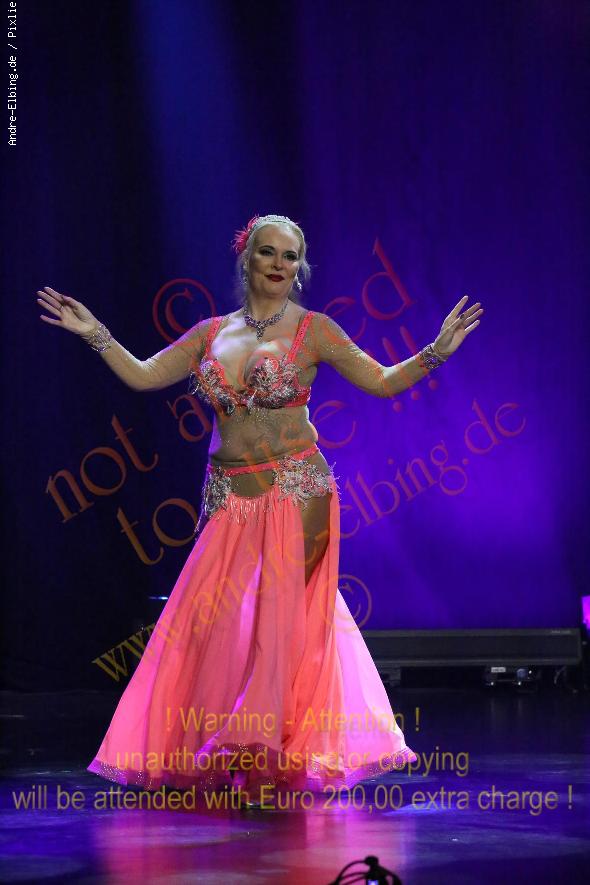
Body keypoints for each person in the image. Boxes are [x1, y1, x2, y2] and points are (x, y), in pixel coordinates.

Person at [36, 213, 483, 807]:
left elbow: (379, 381)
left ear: (300, 267)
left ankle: (265, 766)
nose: (278, 264)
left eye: (290, 256)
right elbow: (144, 376)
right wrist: (95, 333)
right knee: (218, 629)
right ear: (246, 258)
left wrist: (436, 353)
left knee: (279, 629)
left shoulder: (314, 330)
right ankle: (234, 753)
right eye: (268, 252)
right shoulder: (210, 334)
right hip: (230, 499)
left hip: (297, 492)